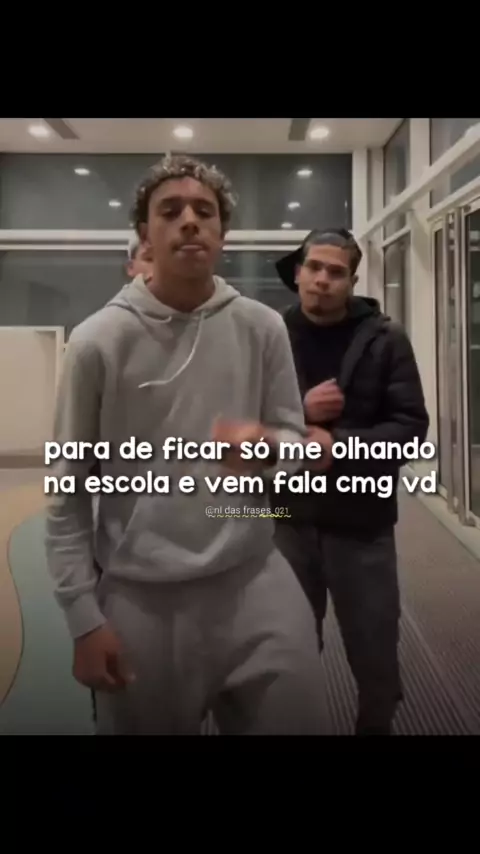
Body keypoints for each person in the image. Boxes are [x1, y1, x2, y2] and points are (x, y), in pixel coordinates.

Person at [44, 154, 327, 736]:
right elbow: (66, 492)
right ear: (145, 234)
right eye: (170, 211)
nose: (189, 221)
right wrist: (82, 618)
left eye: (204, 211)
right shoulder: (98, 341)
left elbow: (295, 448)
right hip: (141, 597)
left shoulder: (262, 327)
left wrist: (270, 448)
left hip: (255, 578)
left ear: (223, 233)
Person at [273, 227, 430, 736]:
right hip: (285, 520)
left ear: (352, 281)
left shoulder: (386, 339)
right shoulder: (270, 335)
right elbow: (239, 421)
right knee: (288, 650)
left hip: (362, 523)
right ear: (298, 272)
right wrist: (300, 413)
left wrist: (337, 448)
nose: (323, 279)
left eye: (336, 272)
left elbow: (410, 429)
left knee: (375, 652)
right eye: (314, 267)